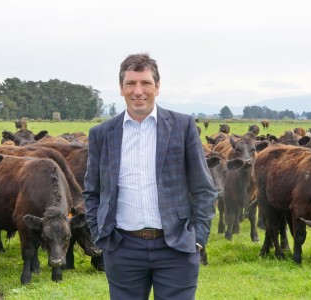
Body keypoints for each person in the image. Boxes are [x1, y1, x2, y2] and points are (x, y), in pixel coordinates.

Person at [83, 53, 217, 300]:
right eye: (131, 83)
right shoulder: (102, 133)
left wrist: (197, 238)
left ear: (157, 87)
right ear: (121, 88)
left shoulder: (182, 126)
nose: (138, 91)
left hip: (176, 247)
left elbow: (204, 189)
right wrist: (99, 233)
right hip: (123, 248)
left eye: (145, 83)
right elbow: (92, 191)